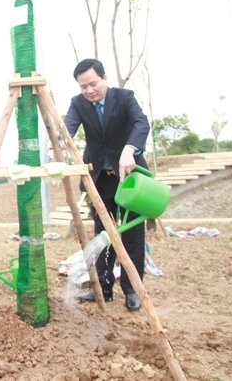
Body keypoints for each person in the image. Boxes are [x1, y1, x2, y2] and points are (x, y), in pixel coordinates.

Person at [64, 58, 150, 312]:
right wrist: (60, 140)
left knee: (132, 234)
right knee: (103, 233)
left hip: (129, 177)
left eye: (93, 84)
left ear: (104, 78)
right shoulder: (78, 104)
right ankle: (103, 286)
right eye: (83, 87)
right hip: (99, 179)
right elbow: (68, 127)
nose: (89, 91)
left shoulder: (124, 98)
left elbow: (140, 123)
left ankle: (132, 289)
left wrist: (129, 150)